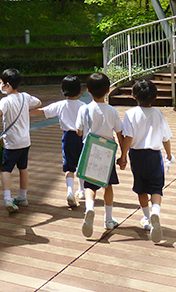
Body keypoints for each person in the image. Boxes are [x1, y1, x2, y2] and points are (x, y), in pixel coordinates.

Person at [117, 79, 173, 244]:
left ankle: (147, 218)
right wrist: (169, 154)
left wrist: (123, 156)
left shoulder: (130, 114)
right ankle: (156, 210)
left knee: (141, 189)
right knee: (156, 188)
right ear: (155, 97)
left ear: (133, 96)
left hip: (137, 155)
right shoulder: (158, 114)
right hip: (155, 155)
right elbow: (166, 137)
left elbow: (129, 137)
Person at [0, 68, 41, 213]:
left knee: (6, 169)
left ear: (7, 85)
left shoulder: (6, 101)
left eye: (1, 83)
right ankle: (22, 196)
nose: (0, 85)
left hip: (11, 143)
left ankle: (7, 198)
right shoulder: (25, 97)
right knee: (23, 168)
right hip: (25, 141)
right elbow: (39, 102)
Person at [76, 72, 124, 237]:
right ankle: (108, 220)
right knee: (107, 185)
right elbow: (119, 132)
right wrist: (124, 154)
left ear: (88, 91)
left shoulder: (85, 109)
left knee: (90, 185)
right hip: (107, 152)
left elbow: (78, 130)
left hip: (90, 149)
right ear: (108, 90)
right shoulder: (112, 111)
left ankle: (89, 209)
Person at [31, 75, 85, 208]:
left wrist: (24, 112)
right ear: (79, 90)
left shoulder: (60, 105)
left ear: (63, 90)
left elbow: (43, 111)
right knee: (82, 164)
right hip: (83, 137)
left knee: (69, 166)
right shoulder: (84, 106)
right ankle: (82, 191)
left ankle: (70, 191)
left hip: (68, 137)